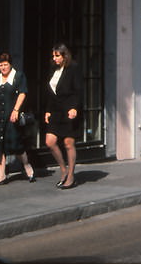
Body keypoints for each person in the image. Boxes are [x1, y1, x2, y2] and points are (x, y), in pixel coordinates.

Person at [0, 53, 36, 185]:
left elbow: (22, 93)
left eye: (5, 64)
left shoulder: (18, 76)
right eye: (0, 65)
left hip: (11, 116)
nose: (3, 67)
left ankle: (27, 166)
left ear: (10, 64)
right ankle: (1, 175)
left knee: (15, 144)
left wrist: (16, 110)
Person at [45, 43, 83, 190]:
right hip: (55, 111)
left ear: (64, 55)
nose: (54, 58)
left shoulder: (74, 68)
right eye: (53, 56)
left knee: (68, 143)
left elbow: (79, 90)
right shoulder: (53, 69)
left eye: (57, 56)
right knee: (50, 141)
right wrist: (48, 110)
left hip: (69, 111)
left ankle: (71, 176)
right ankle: (63, 169)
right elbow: (50, 91)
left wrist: (75, 107)